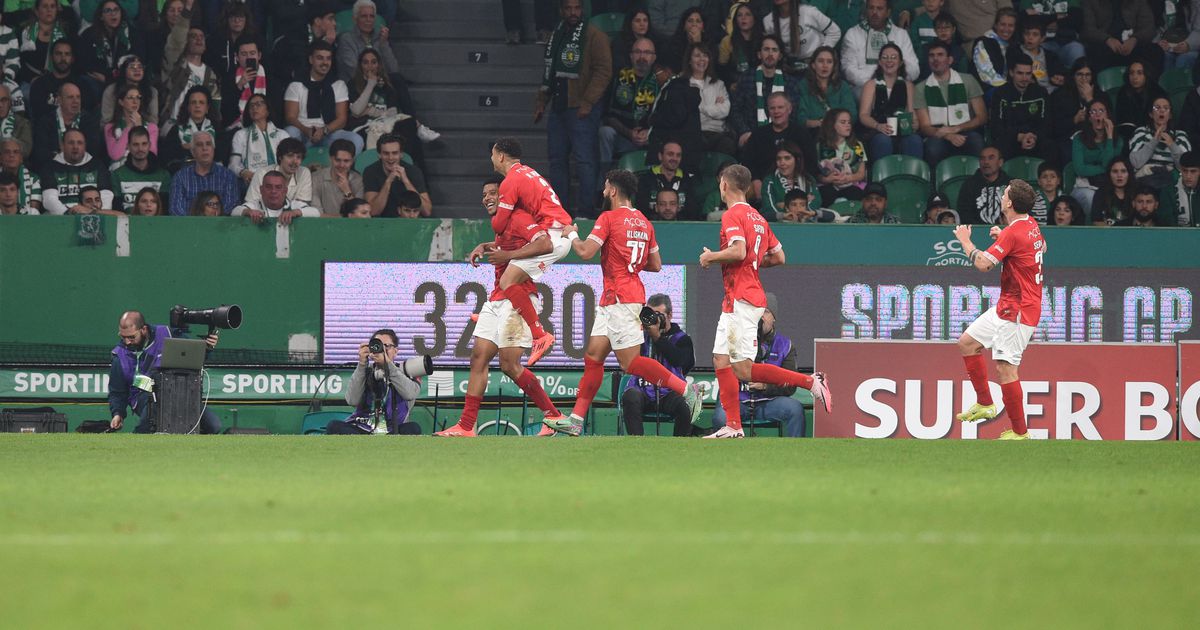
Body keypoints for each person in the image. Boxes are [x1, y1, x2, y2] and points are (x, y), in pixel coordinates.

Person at [553, 169, 702, 436]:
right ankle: (576, 420)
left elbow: (585, 252)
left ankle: (686, 389)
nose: (603, 191)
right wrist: (629, 260)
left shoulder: (608, 218)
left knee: (630, 363)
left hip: (621, 299)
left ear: (612, 190)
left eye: (605, 187)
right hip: (616, 298)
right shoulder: (644, 222)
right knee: (593, 357)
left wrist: (572, 234)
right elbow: (656, 264)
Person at [698, 164, 830, 438]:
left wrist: (711, 257)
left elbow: (738, 251)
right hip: (739, 297)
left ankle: (810, 381)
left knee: (743, 370)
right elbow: (779, 256)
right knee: (720, 359)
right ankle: (733, 426)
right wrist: (752, 263)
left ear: (724, 185)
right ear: (747, 187)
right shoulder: (758, 218)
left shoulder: (732, 214)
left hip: (742, 298)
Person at [434, 177, 569, 437]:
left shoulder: (518, 217)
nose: (486, 198)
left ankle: (554, 415)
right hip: (496, 299)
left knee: (509, 364)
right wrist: (486, 246)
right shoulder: (501, 223)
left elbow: (543, 244)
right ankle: (466, 426)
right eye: (484, 194)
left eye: (492, 193)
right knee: (478, 358)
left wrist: (505, 255)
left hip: (518, 298)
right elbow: (511, 245)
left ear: (505, 196)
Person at [951, 173, 1045, 440]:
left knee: (1006, 368)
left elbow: (983, 265)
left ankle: (1020, 433)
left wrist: (965, 241)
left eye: (1004, 194)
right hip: (1008, 305)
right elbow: (1042, 247)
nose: (1002, 196)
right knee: (967, 343)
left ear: (1009, 203)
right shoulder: (1029, 225)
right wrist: (1005, 237)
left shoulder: (1014, 232)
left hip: (1019, 310)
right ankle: (985, 403)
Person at [488, 136, 577, 365]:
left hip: (552, 236)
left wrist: (504, 217)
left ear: (500, 156)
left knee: (508, 279)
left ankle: (540, 335)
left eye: (493, 155)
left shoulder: (510, 181)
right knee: (509, 276)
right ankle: (495, 311)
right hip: (560, 231)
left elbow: (498, 225)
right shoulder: (530, 172)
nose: (491, 159)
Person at [535, 0, 611, 217]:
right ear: (561, 11)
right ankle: (561, 211)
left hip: (581, 107)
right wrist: (541, 101)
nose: (572, 12)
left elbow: (604, 71)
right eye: (568, 8)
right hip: (559, 106)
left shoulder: (594, 35)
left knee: (585, 161)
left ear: (582, 10)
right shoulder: (557, 35)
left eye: (576, 8)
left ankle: (586, 210)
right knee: (557, 160)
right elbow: (549, 72)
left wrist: (588, 102)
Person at [710, 292, 809, 437]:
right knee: (720, 417)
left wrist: (766, 386)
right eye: (756, 312)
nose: (761, 316)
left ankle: (797, 450)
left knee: (795, 409)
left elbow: (790, 386)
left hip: (770, 401)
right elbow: (722, 367)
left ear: (774, 318)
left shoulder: (785, 345)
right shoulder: (735, 339)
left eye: (766, 312)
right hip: (738, 400)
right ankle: (727, 450)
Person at [108, 310, 222, 434]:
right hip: (144, 396)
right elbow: (117, 392)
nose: (127, 342)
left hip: (179, 391)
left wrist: (207, 347)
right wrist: (118, 413)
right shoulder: (119, 356)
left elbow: (192, 355)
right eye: (123, 337)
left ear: (143, 329)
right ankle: (138, 437)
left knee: (213, 426)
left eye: (131, 337)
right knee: (152, 415)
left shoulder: (166, 333)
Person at [619, 293, 698, 436]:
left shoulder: (682, 338)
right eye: (651, 315)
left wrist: (658, 338)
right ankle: (636, 443)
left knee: (684, 405)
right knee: (630, 396)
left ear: (670, 315)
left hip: (668, 393)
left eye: (659, 315)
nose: (654, 319)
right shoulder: (639, 337)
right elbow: (629, 361)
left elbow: (682, 362)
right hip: (642, 389)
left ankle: (680, 444)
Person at [331, 329, 422, 435]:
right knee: (334, 426)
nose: (382, 350)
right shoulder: (365, 370)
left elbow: (410, 394)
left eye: (386, 346)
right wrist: (362, 364)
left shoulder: (407, 370)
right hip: (363, 427)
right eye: (378, 345)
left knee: (413, 428)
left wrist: (388, 365)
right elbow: (352, 401)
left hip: (393, 429)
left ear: (395, 351)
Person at [914, 41, 988, 167]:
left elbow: (982, 117)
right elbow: (925, 127)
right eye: (932, 55)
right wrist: (948, 135)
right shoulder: (921, 87)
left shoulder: (968, 80)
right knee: (933, 148)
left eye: (940, 55)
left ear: (950, 60)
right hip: (938, 133)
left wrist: (957, 128)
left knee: (976, 141)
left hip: (965, 130)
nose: (935, 59)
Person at [599, 36, 667, 170]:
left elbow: (667, 119)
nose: (642, 56)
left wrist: (649, 133)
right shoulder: (619, 77)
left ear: (654, 57)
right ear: (631, 56)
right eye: (637, 52)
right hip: (623, 136)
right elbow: (608, 116)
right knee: (605, 132)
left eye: (647, 52)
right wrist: (629, 133)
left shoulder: (661, 81)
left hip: (652, 140)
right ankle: (604, 177)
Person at [284, 41, 364, 156]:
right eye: (320, 58)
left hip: (328, 133)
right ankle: (294, 166)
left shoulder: (338, 84)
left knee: (357, 140)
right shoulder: (296, 85)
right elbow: (290, 117)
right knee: (290, 132)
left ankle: (341, 166)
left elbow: (342, 119)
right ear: (311, 60)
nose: (325, 63)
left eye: (328, 59)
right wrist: (307, 130)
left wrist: (324, 130)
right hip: (303, 133)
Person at [728, 35, 804, 149]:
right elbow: (735, 109)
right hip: (751, 136)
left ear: (780, 56)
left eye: (774, 50)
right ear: (759, 54)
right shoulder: (746, 78)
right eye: (766, 49)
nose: (770, 54)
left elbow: (793, 113)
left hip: (782, 138)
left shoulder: (790, 83)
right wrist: (744, 131)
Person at [858, 42, 923, 159]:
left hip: (902, 130)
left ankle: (912, 171)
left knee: (914, 140)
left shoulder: (908, 85)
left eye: (894, 57)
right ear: (879, 62)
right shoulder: (871, 85)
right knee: (883, 141)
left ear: (900, 62)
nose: (889, 61)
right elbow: (863, 115)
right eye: (885, 57)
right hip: (879, 130)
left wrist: (915, 123)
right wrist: (878, 126)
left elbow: (912, 114)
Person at [841, 0, 921, 94]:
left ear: (888, 12)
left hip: (895, 88)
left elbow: (914, 70)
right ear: (866, 10)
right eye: (871, 8)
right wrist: (876, 82)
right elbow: (848, 70)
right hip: (863, 90)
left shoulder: (901, 35)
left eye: (879, 8)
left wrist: (892, 79)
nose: (874, 12)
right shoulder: (852, 34)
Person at [987, 52, 1052, 162]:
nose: (1024, 78)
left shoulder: (1040, 92)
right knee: (1000, 147)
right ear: (1011, 73)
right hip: (1010, 140)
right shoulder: (1001, 93)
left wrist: (1033, 137)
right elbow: (996, 128)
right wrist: (1019, 137)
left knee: (1050, 146)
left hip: (1034, 139)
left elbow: (1047, 124)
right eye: (1020, 73)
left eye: (1028, 74)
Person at [740, 92, 818, 181]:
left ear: (789, 109)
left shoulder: (801, 133)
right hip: (763, 182)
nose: (776, 111)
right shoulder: (758, 135)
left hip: (797, 182)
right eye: (772, 108)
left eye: (780, 107)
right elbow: (748, 163)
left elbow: (811, 163)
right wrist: (755, 180)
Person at [39, 129, 115, 215]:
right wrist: (68, 214)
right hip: (61, 218)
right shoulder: (50, 167)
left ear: (85, 145)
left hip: (93, 216)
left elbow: (106, 196)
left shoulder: (97, 166)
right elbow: (49, 199)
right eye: (71, 143)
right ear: (62, 145)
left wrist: (97, 214)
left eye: (80, 143)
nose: (75, 147)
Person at [32, 82, 102, 172]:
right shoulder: (46, 122)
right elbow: (41, 153)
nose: (76, 101)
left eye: (78, 97)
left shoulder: (89, 121)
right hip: (54, 170)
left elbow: (93, 150)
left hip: (83, 169)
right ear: (60, 100)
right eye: (70, 97)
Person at [162, 25, 222, 131]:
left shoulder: (210, 73)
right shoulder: (176, 65)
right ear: (186, 42)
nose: (199, 39)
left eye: (202, 37)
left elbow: (215, 104)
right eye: (193, 36)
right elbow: (174, 43)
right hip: (174, 125)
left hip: (198, 129)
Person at [168, 131, 239, 215]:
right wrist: (196, 222)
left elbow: (231, 206)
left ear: (213, 149)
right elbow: (176, 209)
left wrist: (212, 220)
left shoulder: (228, 176)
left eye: (208, 144)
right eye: (199, 145)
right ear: (192, 152)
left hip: (219, 223)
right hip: (189, 223)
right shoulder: (180, 177)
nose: (204, 148)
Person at [1129, 96, 1192, 189]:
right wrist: (1153, 142)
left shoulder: (1180, 136)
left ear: (1170, 115)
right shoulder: (1141, 132)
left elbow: (1185, 167)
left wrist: (1172, 145)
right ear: (1151, 114)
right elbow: (1136, 163)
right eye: (1157, 108)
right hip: (1146, 181)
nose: (1162, 111)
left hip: (1171, 182)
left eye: (1166, 108)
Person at [1079, 0, 1161, 71]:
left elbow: (1149, 27)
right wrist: (1107, 39)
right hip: (1103, 45)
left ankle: (1150, 84)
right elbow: (1087, 30)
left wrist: (1134, 39)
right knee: (1097, 53)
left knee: (1155, 51)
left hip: (1132, 44)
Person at [363, 133, 432, 217]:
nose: (390, 158)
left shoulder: (413, 171)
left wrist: (406, 181)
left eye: (395, 153)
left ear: (401, 154)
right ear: (379, 154)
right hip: (381, 222)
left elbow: (426, 211)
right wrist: (388, 182)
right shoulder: (371, 171)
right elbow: (373, 211)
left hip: (407, 221)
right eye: (386, 153)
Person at [685, 42, 736, 156]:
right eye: (697, 55)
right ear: (689, 60)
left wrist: (700, 108)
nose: (702, 59)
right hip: (694, 132)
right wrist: (714, 107)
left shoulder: (719, 84)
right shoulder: (683, 84)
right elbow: (685, 114)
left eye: (705, 55)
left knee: (728, 144)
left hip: (717, 132)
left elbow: (724, 111)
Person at [762, 0, 842, 72]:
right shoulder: (768, 21)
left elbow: (835, 32)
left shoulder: (808, 12)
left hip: (814, 66)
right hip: (788, 67)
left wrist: (820, 55)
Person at [271, 0, 338, 84]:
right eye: (330, 19)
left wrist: (328, 45)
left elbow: (333, 73)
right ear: (317, 21)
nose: (334, 23)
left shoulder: (329, 40)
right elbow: (302, 70)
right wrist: (325, 46)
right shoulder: (296, 37)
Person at [228, 95, 289, 185]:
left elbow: (289, 162)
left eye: (259, 104)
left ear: (268, 110)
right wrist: (243, 172)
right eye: (251, 105)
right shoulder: (240, 135)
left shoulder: (282, 135)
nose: (254, 107)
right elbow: (233, 165)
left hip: (279, 183)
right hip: (251, 182)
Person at [1050, 58, 1101, 166]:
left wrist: (1090, 100)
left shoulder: (1100, 95)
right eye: (1080, 74)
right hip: (1069, 138)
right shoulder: (1060, 95)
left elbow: (1106, 122)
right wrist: (1074, 120)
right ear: (1073, 76)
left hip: (1095, 137)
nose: (1084, 79)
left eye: (1087, 75)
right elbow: (1054, 127)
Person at [754, 141, 822, 220]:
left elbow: (816, 202)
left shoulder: (808, 180)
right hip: (779, 224)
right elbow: (768, 208)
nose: (782, 163)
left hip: (805, 222)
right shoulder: (770, 181)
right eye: (779, 159)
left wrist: (784, 205)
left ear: (797, 160)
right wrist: (786, 213)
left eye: (787, 158)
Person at [335, 0, 399, 84]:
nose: (368, 20)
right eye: (364, 16)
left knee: (398, 80)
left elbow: (393, 69)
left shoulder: (380, 38)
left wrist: (383, 44)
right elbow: (353, 70)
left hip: (379, 84)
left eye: (371, 16)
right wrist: (378, 79)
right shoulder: (346, 39)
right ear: (355, 19)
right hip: (356, 86)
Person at [110, 126, 171, 213]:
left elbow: (164, 211)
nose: (140, 149)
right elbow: (116, 210)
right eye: (135, 144)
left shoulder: (163, 175)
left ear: (149, 145)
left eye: (144, 144)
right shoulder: (117, 175)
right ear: (128, 146)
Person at [796, 46, 858, 130]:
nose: (825, 65)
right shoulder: (803, 85)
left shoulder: (843, 86)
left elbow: (852, 115)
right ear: (813, 65)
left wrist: (834, 124)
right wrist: (818, 123)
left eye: (829, 62)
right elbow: (800, 118)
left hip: (838, 132)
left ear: (834, 66)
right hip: (812, 132)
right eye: (820, 61)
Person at [160, 86, 218, 171]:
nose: (197, 106)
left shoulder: (217, 129)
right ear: (188, 107)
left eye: (201, 102)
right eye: (193, 102)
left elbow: (220, 155)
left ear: (207, 108)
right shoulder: (176, 130)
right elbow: (167, 157)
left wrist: (192, 146)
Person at [635, 140, 697, 219]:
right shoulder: (646, 179)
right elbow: (641, 209)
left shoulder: (687, 180)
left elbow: (692, 211)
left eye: (678, 155)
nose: (674, 158)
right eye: (670, 154)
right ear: (660, 156)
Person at [816, 108, 867, 203]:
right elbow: (815, 173)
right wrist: (827, 179)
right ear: (832, 125)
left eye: (849, 122)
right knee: (826, 193)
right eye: (843, 122)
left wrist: (848, 178)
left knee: (855, 193)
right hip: (828, 185)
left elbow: (861, 173)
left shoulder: (857, 146)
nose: (848, 125)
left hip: (850, 185)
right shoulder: (820, 146)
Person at [242, 138, 313, 207]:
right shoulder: (262, 173)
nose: (295, 161)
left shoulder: (304, 172)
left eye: (298, 157)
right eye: (290, 156)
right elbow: (250, 205)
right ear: (280, 157)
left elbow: (303, 206)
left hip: (293, 215)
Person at [231, 170, 319, 225]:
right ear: (261, 190)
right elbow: (234, 211)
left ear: (285, 191)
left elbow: (316, 213)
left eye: (278, 187)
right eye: (268, 187)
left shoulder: (293, 205)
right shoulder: (255, 205)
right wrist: (248, 212)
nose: (273, 191)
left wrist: (294, 212)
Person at [104, 84, 158, 165]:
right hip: (119, 169)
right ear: (121, 102)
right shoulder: (110, 128)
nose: (135, 101)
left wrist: (139, 127)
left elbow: (152, 155)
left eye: (138, 97)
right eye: (130, 98)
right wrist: (129, 128)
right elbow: (115, 155)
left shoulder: (152, 127)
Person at [100, 55, 160, 127]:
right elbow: (106, 120)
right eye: (132, 67)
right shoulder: (111, 90)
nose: (137, 70)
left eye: (140, 67)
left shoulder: (152, 91)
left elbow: (153, 121)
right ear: (123, 70)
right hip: (116, 129)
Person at [957, 145, 1011, 224]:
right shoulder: (969, 185)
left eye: (991, 158)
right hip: (975, 230)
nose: (986, 162)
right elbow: (964, 214)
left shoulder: (1010, 185)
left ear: (1000, 162)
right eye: (982, 158)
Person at [1113, 61, 1166, 140]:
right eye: (1131, 73)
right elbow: (1122, 121)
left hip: (1154, 134)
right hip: (1129, 136)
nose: (1135, 77)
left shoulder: (1157, 92)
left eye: (1139, 73)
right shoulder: (1123, 92)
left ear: (1146, 75)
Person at [312, 139, 364, 215]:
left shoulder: (358, 180)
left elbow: (359, 214)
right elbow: (316, 214)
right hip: (323, 222)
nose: (342, 165)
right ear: (330, 158)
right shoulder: (316, 178)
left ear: (352, 161)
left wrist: (347, 191)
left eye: (346, 161)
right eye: (338, 160)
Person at [970, 7, 1016, 91]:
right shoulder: (983, 43)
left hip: (1008, 88)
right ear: (995, 25)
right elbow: (988, 75)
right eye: (1003, 24)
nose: (1006, 29)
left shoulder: (1013, 45)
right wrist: (1011, 89)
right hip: (987, 90)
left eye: (1010, 25)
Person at [717, 2, 762, 86]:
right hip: (736, 85)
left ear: (754, 19)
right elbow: (722, 70)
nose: (743, 18)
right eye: (739, 15)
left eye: (747, 14)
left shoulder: (763, 40)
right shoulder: (727, 41)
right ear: (735, 20)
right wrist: (730, 84)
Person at [1158, 150, 1199, 227]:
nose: (1188, 176)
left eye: (1193, 171)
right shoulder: (1168, 191)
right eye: (1185, 171)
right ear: (1180, 170)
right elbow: (1166, 222)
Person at [0, 138, 41, 213]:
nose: (11, 155)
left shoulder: (33, 179)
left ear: (21, 158)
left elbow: (33, 212)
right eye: (7, 152)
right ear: (1, 157)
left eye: (16, 152)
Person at [1090, 156, 1134, 225]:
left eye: (1123, 171)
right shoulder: (1101, 193)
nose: (1119, 175)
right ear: (1109, 174)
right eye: (1115, 171)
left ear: (1129, 174)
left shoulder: (1136, 192)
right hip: (1108, 231)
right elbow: (1096, 221)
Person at [0, 84, 32, 160]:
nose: (0, 105)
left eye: (4, 100)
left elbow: (26, 151)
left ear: (10, 103)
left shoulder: (22, 123)